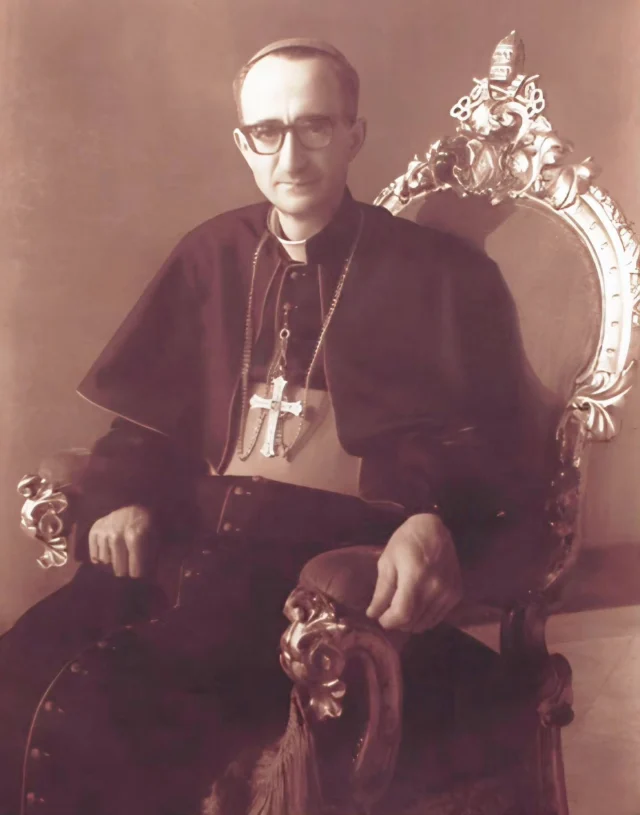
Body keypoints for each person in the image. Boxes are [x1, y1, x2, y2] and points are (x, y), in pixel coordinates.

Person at [0, 38, 559, 815]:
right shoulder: (212, 255)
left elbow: (500, 456)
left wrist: (437, 519)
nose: (289, 156)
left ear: (355, 134)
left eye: (315, 127)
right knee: (20, 674)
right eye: (267, 131)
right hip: (190, 546)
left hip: (314, 578)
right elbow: (148, 424)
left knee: (113, 710)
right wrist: (124, 493)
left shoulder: (445, 277)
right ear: (243, 142)